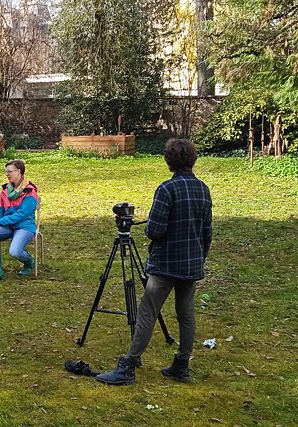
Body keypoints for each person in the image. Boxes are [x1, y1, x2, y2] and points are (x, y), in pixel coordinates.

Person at [93, 138, 213, 386]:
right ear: (192, 159)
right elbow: (207, 231)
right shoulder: (203, 188)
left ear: (169, 160)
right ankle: (182, 364)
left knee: (147, 311)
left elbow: (155, 231)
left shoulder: (167, 189)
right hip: (191, 263)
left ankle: (129, 365)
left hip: (166, 264)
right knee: (186, 314)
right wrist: (199, 258)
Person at [0, 159, 39, 281]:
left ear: (19, 171)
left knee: (15, 252)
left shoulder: (30, 191)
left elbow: (21, 215)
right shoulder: (5, 190)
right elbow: (0, 209)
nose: (7, 174)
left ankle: (29, 261)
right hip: (8, 225)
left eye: (9, 172)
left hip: (24, 226)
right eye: (6, 172)